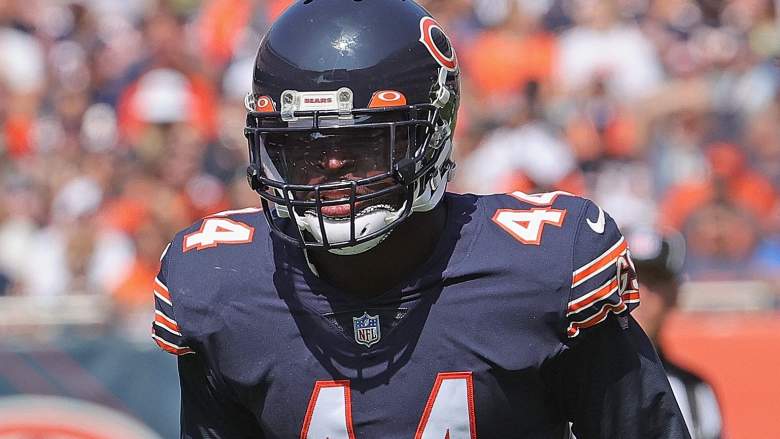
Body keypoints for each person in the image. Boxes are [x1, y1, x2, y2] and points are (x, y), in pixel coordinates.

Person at [151, 1, 690, 437]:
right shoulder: (220, 286)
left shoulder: (543, 267)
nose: (333, 167)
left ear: (432, 133)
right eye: (304, 147)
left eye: (364, 142)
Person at [629, 228, 723, 439]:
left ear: (674, 293)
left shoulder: (695, 391)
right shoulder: (575, 380)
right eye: (631, 279)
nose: (639, 295)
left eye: (653, 282)